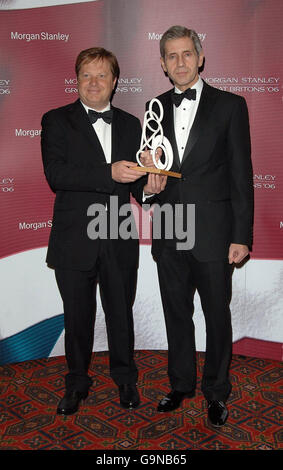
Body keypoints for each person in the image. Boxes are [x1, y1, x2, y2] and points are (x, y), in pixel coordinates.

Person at [142, 26, 253, 426]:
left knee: (216, 315)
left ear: (201, 57)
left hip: (213, 232)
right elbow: (148, 171)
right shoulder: (153, 108)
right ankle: (180, 384)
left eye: (187, 54)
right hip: (170, 228)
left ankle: (216, 392)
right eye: (171, 56)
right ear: (162, 64)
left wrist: (241, 235)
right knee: (176, 312)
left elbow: (242, 175)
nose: (180, 62)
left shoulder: (230, 106)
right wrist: (148, 187)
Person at [41, 47, 145, 415]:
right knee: (77, 318)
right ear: (77, 79)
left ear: (115, 81)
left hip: (118, 237)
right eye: (87, 75)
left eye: (102, 75)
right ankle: (76, 383)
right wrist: (108, 173)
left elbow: (137, 187)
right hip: (73, 240)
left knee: (121, 313)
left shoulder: (133, 125)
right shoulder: (56, 120)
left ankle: (126, 379)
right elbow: (57, 175)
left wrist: (150, 187)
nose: (95, 82)